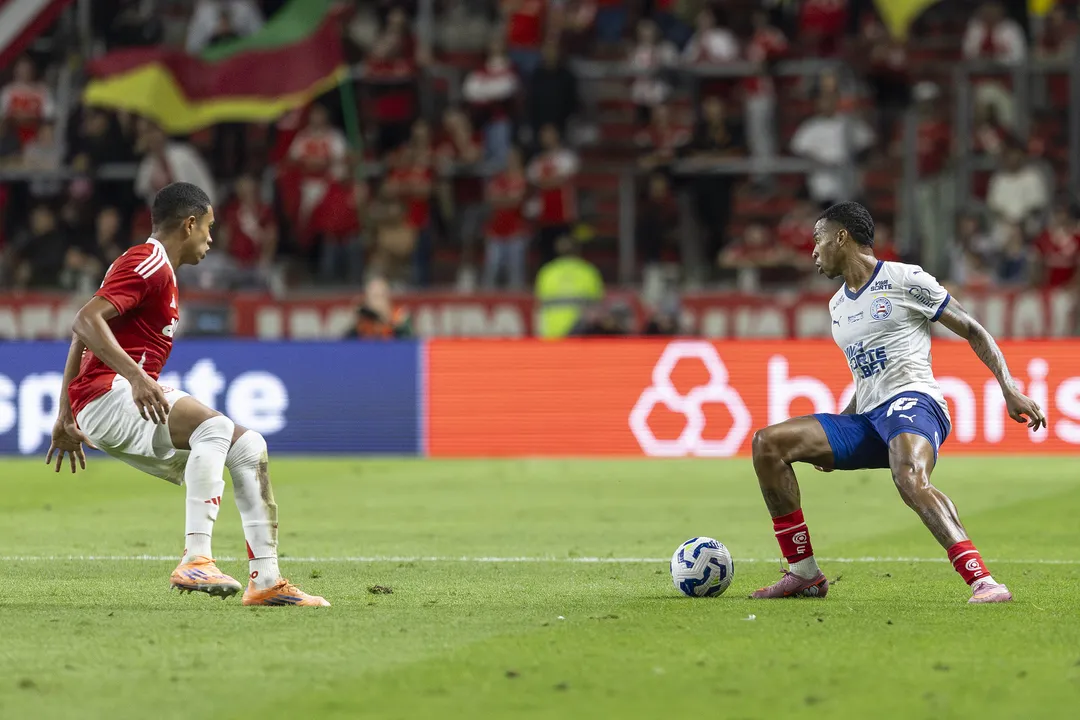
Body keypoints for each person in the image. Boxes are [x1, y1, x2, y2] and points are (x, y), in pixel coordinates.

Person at [46, 182, 328, 607]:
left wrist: (65, 416)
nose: (211, 239)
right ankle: (196, 559)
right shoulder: (149, 262)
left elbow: (81, 335)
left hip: (106, 399)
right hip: (109, 394)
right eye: (209, 228)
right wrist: (136, 378)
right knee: (213, 427)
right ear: (189, 224)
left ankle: (267, 581)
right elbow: (85, 321)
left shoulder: (153, 268)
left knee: (248, 446)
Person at [749, 202, 1045, 604]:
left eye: (818, 239)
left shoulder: (905, 278)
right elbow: (866, 380)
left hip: (915, 403)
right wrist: (836, 433)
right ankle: (804, 574)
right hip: (869, 417)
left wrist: (1009, 388)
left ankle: (983, 580)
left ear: (842, 237)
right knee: (768, 443)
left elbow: (973, 329)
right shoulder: (838, 306)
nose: (813, 251)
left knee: (908, 477)